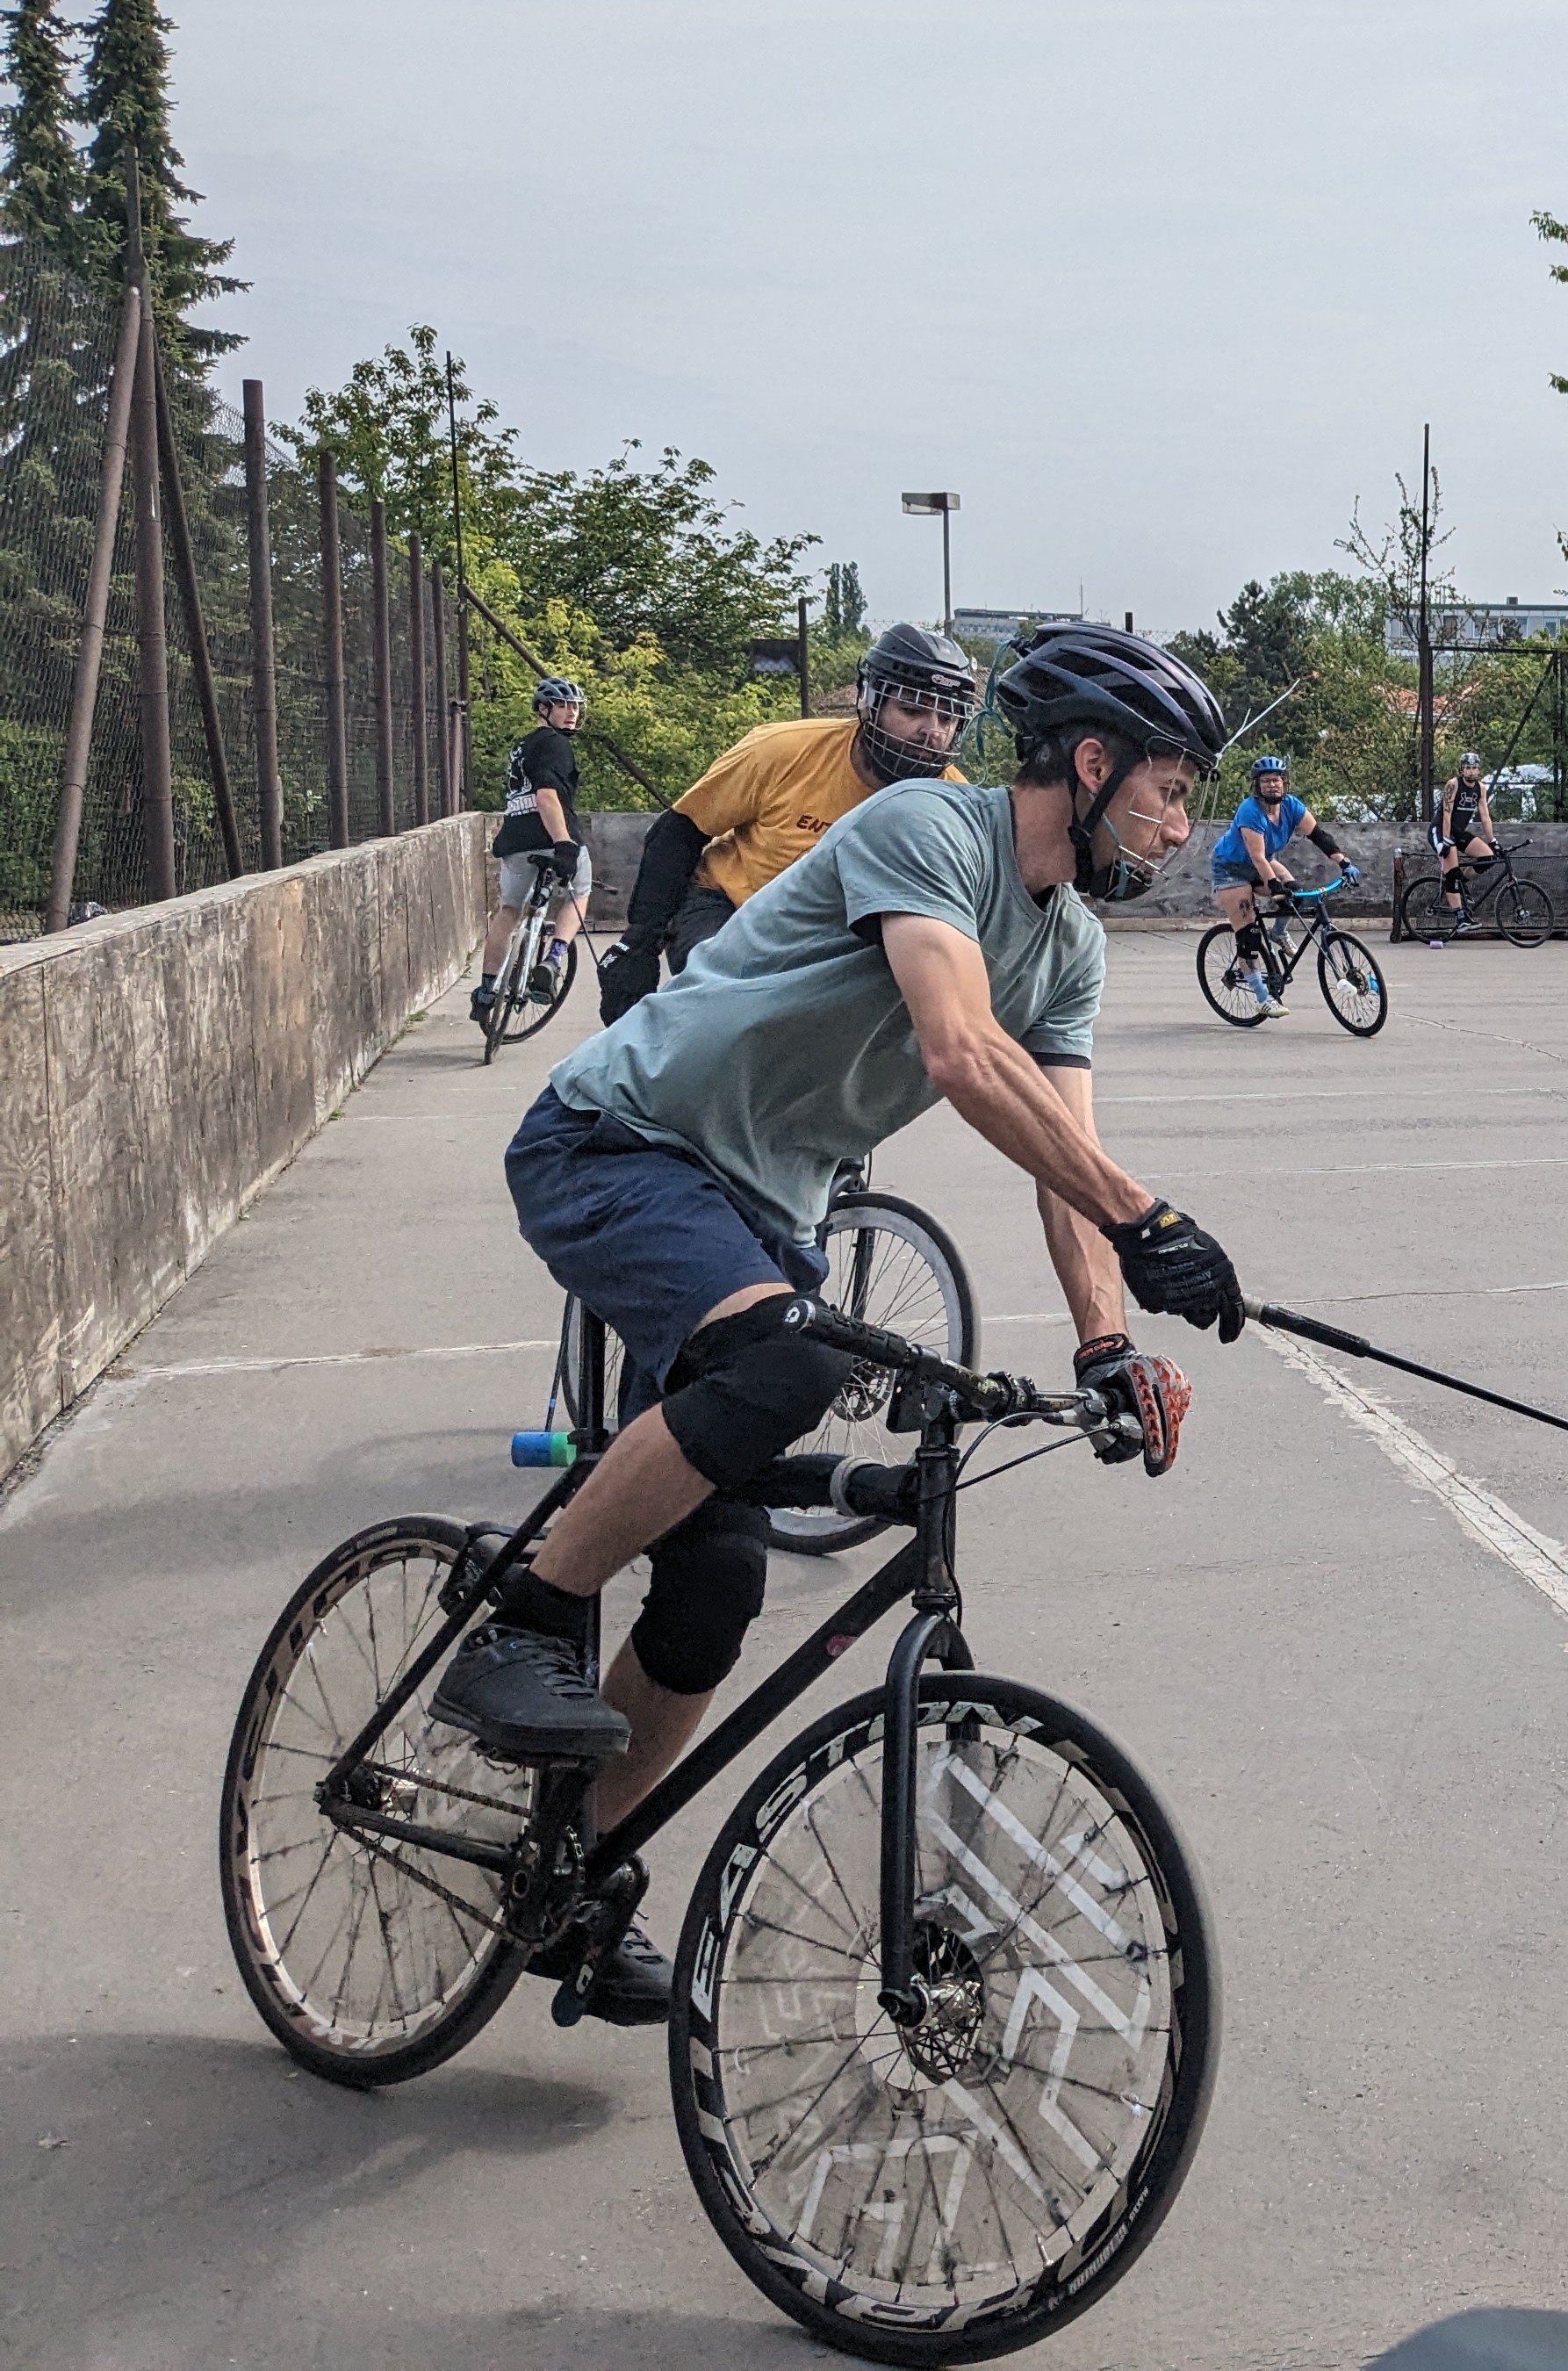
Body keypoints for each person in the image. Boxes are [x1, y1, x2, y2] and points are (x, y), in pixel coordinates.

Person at [431, 621, 1246, 2024]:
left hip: (761, 1206)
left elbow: (1060, 1145)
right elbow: (957, 1050)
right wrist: (1148, 1215)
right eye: (1171, 791)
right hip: (620, 1141)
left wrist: (1108, 1341)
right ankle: (521, 1615)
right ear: (1095, 764)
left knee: (714, 1588)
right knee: (793, 1357)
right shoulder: (933, 826)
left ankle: (562, 1877)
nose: (1183, 826)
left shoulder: (1072, 950)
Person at [595, 623, 979, 1024]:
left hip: (834, 939)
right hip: (731, 908)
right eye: (912, 710)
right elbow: (679, 831)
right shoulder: (782, 751)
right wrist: (639, 944)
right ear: (870, 702)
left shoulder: (953, 803)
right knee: (732, 1012)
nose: (931, 732)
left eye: (947, 717)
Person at [477, 677, 592, 1020]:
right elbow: (546, 796)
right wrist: (563, 843)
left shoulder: (521, 747)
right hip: (550, 835)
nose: (571, 713)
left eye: (575, 707)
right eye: (562, 706)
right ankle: (554, 959)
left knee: (509, 911)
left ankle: (485, 991)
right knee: (581, 891)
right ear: (544, 709)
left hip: (515, 840)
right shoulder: (556, 744)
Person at [1208, 750, 1346, 1015]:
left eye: (1277, 779)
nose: (1273, 784)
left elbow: (1318, 835)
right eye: (1266, 780)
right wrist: (1272, 886)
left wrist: (1344, 862)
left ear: (1285, 783)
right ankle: (1263, 998)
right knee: (1248, 935)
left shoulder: (1292, 806)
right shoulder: (1250, 811)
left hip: (1262, 863)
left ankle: (1279, 933)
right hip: (1231, 869)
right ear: (1257, 785)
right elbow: (1258, 857)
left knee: (1293, 892)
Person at [1429, 750, 1497, 947]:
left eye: (1474, 767)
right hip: (1441, 830)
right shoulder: (1453, 784)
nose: (1471, 771)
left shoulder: (1480, 788)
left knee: (1488, 857)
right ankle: (1460, 918)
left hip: (1459, 832)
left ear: (1479, 769)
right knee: (1452, 872)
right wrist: (1447, 840)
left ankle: (1463, 881)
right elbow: (1447, 814)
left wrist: (1492, 840)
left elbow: (1485, 816)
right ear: (1462, 769)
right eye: (1467, 767)